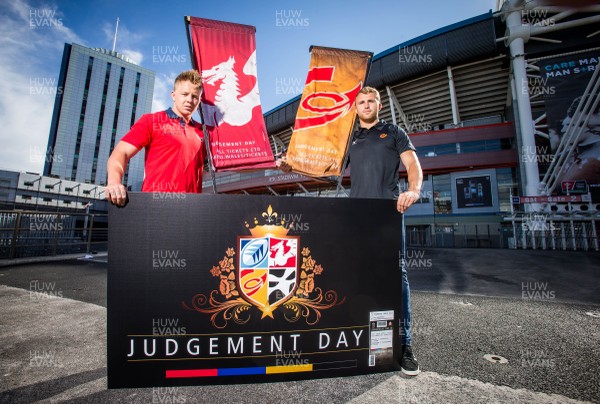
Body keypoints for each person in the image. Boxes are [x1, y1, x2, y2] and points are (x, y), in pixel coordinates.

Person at [350, 86, 423, 376]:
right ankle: (363, 341)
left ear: (379, 105)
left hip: (387, 213)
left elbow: (413, 165)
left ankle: (405, 345)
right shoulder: (350, 139)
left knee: (396, 276)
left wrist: (414, 191)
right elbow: (322, 164)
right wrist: (288, 164)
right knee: (359, 276)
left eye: (371, 101)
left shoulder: (393, 133)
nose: (366, 105)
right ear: (355, 108)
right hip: (355, 216)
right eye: (362, 102)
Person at [105, 70, 205, 206]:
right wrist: (114, 182)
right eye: (185, 94)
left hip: (191, 209)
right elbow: (120, 153)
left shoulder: (203, 131)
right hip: (155, 206)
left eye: (195, 96)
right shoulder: (152, 121)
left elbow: (224, 162)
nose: (189, 100)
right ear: (173, 95)